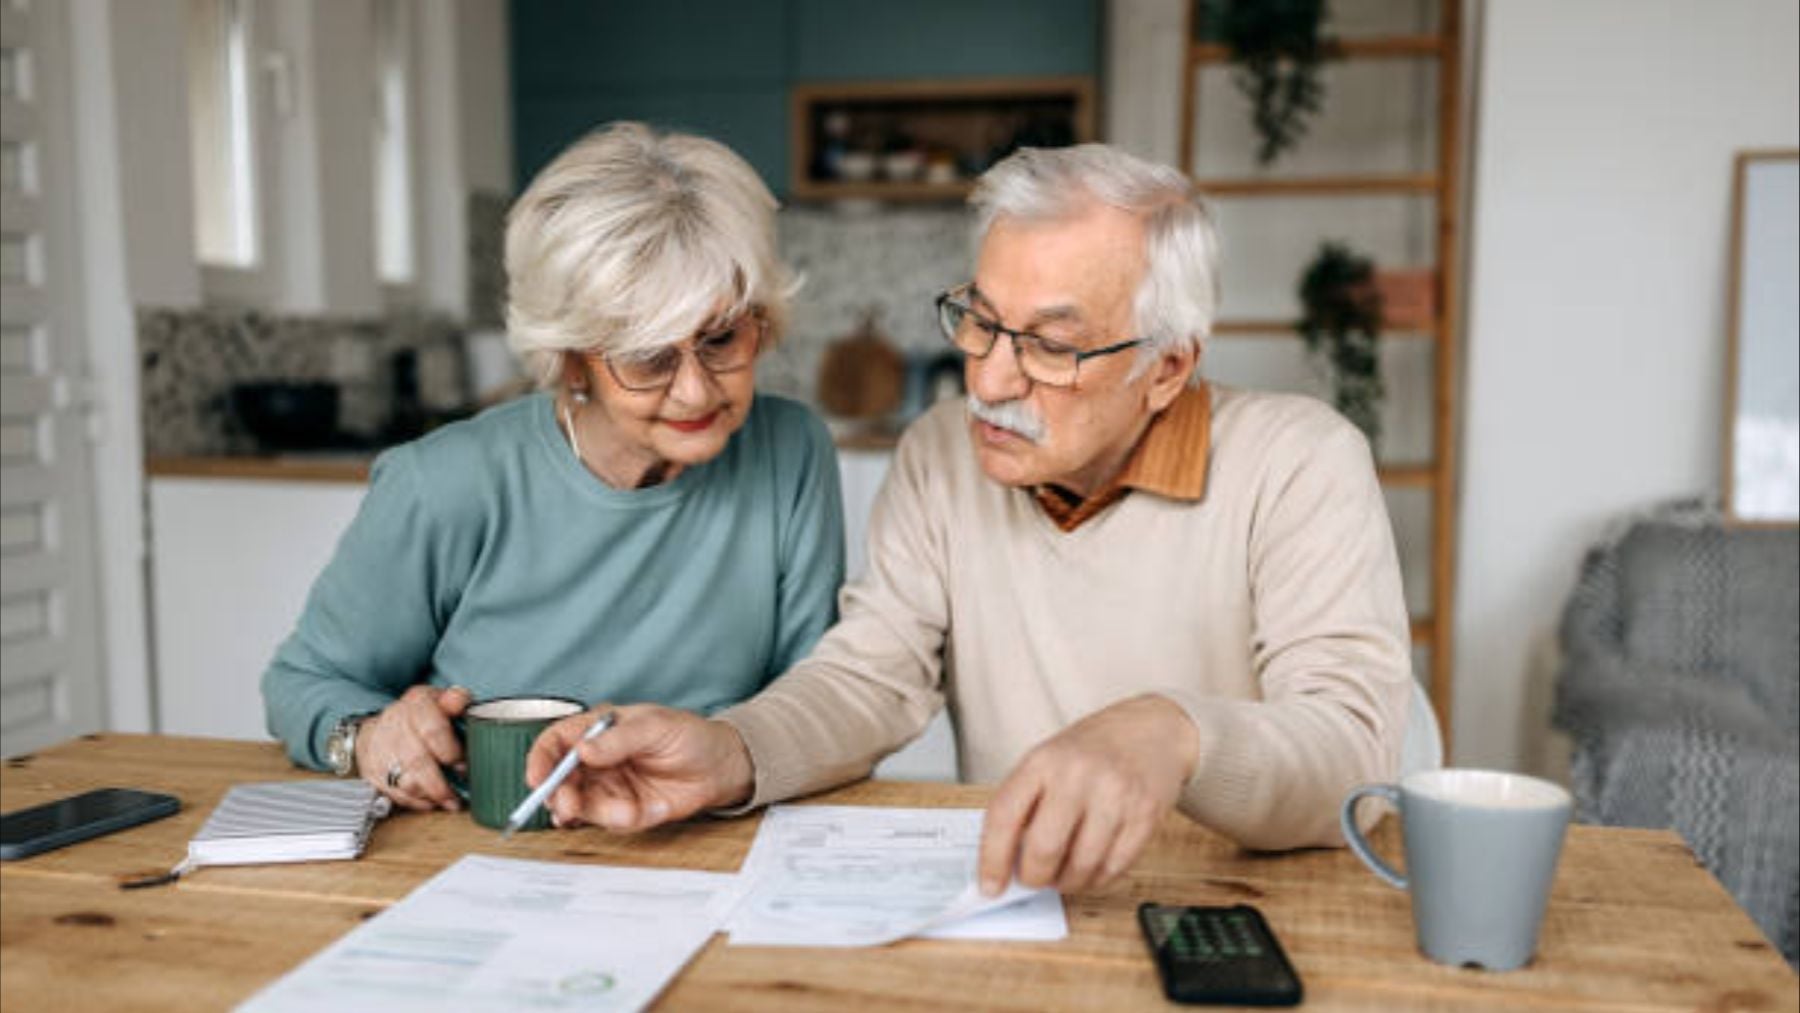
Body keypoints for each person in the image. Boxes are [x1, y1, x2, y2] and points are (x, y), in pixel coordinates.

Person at [528, 143, 1411, 893]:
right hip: (1023, 896)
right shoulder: (941, 454)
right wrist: (728, 749)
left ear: (1168, 368)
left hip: (1247, 903)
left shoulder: (1300, 462)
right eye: (981, 321)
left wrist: (1169, 731)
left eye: (1053, 347)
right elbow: (870, 679)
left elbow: (1353, 753)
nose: (988, 380)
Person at [261, 123, 844, 811]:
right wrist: (365, 737)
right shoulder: (446, 483)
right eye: (648, 355)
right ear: (571, 357)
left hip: (706, 840)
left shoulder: (792, 451)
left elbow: (816, 703)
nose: (696, 389)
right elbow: (303, 682)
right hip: (482, 848)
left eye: (721, 339)